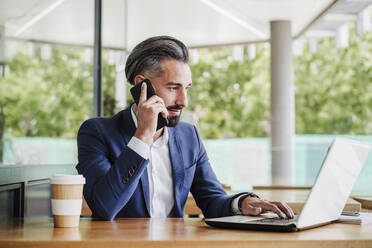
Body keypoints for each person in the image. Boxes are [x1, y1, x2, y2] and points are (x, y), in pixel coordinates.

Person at [76, 36, 294, 220]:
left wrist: (243, 203)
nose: (183, 101)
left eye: (186, 89)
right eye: (173, 88)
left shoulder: (189, 136)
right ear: (141, 85)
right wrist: (142, 136)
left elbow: (211, 200)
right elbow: (105, 207)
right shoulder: (96, 132)